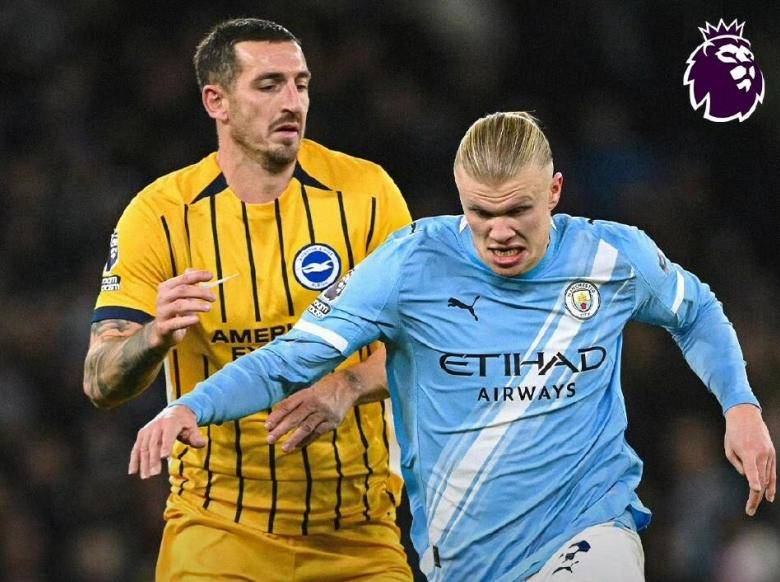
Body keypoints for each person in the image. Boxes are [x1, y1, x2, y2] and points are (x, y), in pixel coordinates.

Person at [129, 112, 776, 581]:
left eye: (517, 211)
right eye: (480, 213)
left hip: (588, 524)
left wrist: (740, 405)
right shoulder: (412, 265)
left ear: (554, 192)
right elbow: (292, 358)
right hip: (461, 559)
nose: (499, 233)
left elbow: (695, 312)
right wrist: (192, 405)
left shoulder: (611, 257)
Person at [83, 18, 413, 581]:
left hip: (358, 531)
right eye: (269, 85)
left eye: (300, 84)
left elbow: (425, 344)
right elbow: (100, 381)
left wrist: (346, 385)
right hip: (218, 527)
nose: (292, 102)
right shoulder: (160, 215)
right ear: (217, 101)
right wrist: (154, 336)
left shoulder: (368, 194)